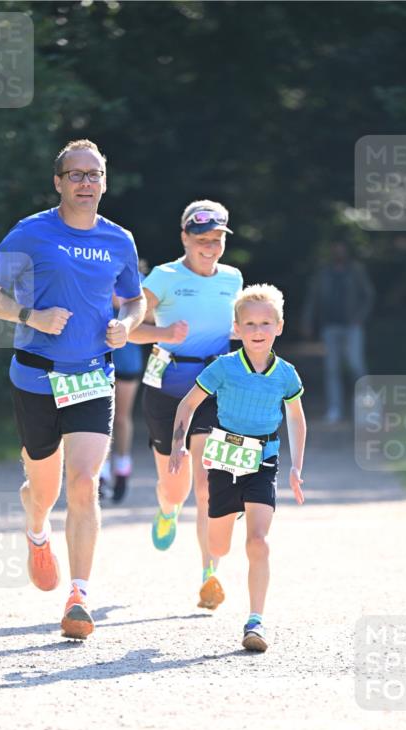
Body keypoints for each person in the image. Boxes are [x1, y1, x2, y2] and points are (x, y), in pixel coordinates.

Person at [0, 139, 145, 639]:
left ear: (105, 181)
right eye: (77, 175)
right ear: (59, 182)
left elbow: (133, 302)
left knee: (85, 482)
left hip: (92, 374)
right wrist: (31, 316)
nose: (87, 183)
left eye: (95, 174)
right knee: (43, 491)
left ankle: (79, 597)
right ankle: (37, 531)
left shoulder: (120, 240)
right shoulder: (32, 233)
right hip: (36, 375)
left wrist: (127, 326)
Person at [168, 284, 306, 653]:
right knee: (219, 545)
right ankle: (213, 565)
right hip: (224, 459)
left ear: (279, 326)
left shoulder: (286, 374)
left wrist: (296, 468)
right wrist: (179, 443)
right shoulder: (224, 367)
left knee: (258, 542)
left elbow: (296, 417)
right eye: (249, 324)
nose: (258, 331)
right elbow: (188, 404)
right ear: (237, 328)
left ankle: (256, 621)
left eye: (265, 323)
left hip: (264, 460)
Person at [128, 200, 243, 610]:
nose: (210, 248)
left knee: (209, 486)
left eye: (217, 240)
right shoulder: (164, 277)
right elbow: (128, 330)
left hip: (213, 389)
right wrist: (164, 332)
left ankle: (209, 574)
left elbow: (234, 325)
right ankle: (166, 508)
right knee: (175, 487)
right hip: (168, 387)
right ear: (185, 238)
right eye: (202, 240)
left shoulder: (233, 278)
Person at [302, 242, 375, 424]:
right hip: (330, 326)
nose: (338, 252)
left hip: (352, 326)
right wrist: (308, 321)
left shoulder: (356, 270)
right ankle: (335, 409)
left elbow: (368, 295)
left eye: (341, 249)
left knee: (356, 365)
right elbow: (314, 298)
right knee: (331, 368)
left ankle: (368, 410)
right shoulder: (324, 272)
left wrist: (360, 317)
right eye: (335, 249)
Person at [99, 259, 149, 505]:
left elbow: (131, 306)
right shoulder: (92, 270)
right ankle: (101, 472)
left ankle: (122, 467)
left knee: (121, 416)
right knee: (100, 416)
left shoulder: (136, 278)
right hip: (97, 355)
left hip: (127, 356)